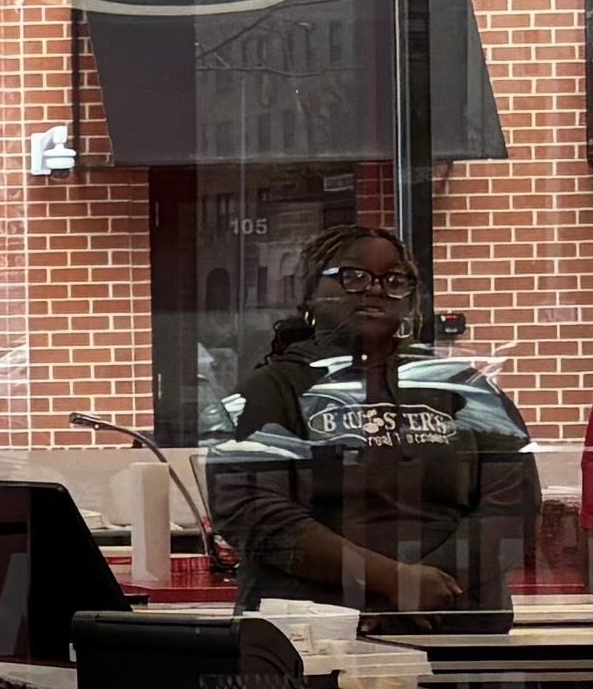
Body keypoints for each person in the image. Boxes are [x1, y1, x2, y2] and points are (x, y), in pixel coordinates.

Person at [203, 217, 535, 622]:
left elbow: (514, 503)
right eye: (354, 277)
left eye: (394, 280)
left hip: (454, 627)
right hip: (317, 635)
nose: (376, 289)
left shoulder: (463, 388)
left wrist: (429, 587)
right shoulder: (270, 390)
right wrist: (390, 582)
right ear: (308, 292)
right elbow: (253, 512)